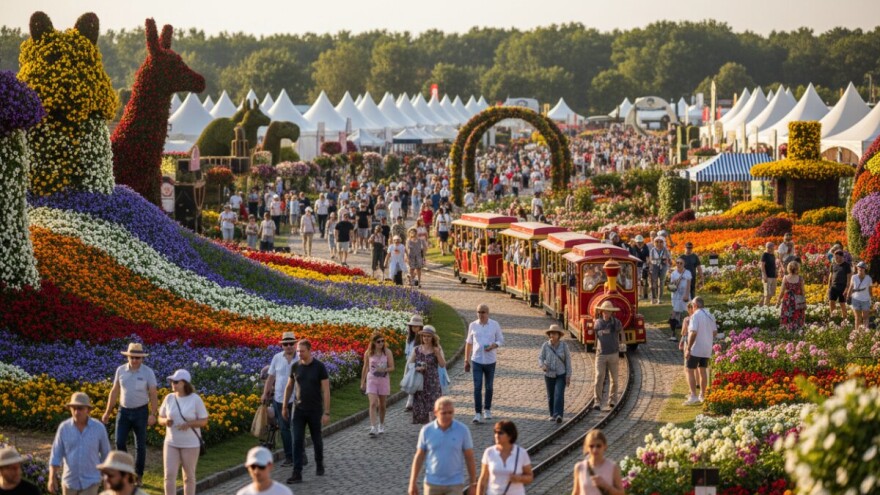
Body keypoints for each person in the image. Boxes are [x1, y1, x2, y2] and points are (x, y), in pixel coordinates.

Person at [101, 343, 158, 481]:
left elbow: (153, 393)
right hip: (124, 411)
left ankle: (138, 475)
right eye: (132, 357)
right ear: (128, 357)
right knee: (119, 442)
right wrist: (107, 412)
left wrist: (153, 413)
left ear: (142, 359)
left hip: (141, 412)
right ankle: (127, 471)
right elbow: (114, 391)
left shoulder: (148, 372)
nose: (134, 360)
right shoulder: (120, 370)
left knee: (140, 445)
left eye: (137, 358)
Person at [282, 340, 330, 484]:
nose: (299, 354)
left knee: (316, 439)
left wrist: (326, 412)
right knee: (297, 441)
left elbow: (326, 390)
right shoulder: (295, 367)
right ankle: (297, 473)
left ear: (309, 350)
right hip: (298, 410)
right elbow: (289, 386)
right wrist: (284, 406)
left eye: (302, 351)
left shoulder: (319, 367)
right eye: (298, 351)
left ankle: (319, 462)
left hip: (315, 410)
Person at [408, 397, 477, 495]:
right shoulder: (427, 430)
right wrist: (412, 482)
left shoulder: (462, 430)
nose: (448, 416)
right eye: (444, 413)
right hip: (432, 483)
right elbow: (419, 457)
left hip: (455, 483)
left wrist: (473, 483)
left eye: (450, 412)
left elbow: (469, 457)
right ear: (435, 412)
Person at [49, 393, 111, 495]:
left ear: (88, 410)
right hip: (70, 481)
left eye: (80, 408)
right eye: (74, 408)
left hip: (91, 481)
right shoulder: (64, 428)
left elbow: (106, 455)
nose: (77, 412)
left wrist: (107, 480)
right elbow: (56, 454)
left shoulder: (99, 428)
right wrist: (51, 478)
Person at [157, 370, 208, 495]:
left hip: (190, 444)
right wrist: (165, 421)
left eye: (175, 381)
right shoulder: (169, 398)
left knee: (188, 477)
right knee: (169, 476)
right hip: (171, 442)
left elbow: (204, 421)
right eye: (171, 381)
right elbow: (160, 418)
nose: (172, 384)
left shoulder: (195, 399)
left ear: (185, 383)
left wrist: (189, 424)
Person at [261, 332, 300, 468]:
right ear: (282, 346)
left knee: (296, 428)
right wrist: (265, 393)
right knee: (284, 428)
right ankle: (289, 456)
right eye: (285, 344)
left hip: (296, 399)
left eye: (291, 344)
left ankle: (299, 453)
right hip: (279, 398)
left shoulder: (301, 358)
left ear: (295, 345)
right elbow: (270, 377)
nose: (288, 346)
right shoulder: (277, 358)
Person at [464, 304, 504, 423]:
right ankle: (477, 412)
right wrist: (466, 359)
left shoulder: (494, 324)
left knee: (489, 386)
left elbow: (501, 339)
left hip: (490, 360)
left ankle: (487, 409)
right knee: (477, 387)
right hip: (476, 360)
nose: (481, 314)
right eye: (479, 312)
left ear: (488, 313)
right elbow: (469, 343)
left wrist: (494, 345)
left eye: (483, 312)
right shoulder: (473, 325)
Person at [477, 421, 533, 495]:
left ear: (510, 436)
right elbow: (483, 478)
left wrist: (519, 478)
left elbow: (530, 477)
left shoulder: (521, 453)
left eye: (500, 433)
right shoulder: (489, 452)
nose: (497, 435)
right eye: (495, 432)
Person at [684, 297, 717, 405]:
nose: (692, 308)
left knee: (690, 370)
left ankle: (693, 395)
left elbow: (693, 332)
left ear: (696, 305)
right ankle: (702, 394)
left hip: (696, 348)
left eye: (692, 305)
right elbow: (714, 332)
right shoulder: (710, 314)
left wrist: (688, 348)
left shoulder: (695, 315)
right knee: (703, 371)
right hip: (707, 348)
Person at [360, 332, 395, 437]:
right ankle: (373, 427)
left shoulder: (387, 352)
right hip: (372, 380)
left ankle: (381, 424)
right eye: (378, 341)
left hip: (383, 379)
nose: (381, 343)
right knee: (373, 403)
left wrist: (384, 369)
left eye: (383, 341)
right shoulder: (368, 353)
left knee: (382, 405)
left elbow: (392, 367)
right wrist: (363, 382)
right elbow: (365, 367)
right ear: (373, 343)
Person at [410, 326, 446, 424]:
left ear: (432, 338)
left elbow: (442, 364)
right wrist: (417, 368)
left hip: (432, 381)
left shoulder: (436, 349)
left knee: (433, 405)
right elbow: (410, 364)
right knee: (422, 406)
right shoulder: (417, 350)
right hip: (420, 381)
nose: (426, 338)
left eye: (428, 336)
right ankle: (426, 430)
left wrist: (438, 354)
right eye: (424, 336)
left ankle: (433, 426)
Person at [571, 430, 624, 495]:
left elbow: (621, 493)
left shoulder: (612, 467)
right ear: (586, 448)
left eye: (598, 446)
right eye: (591, 446)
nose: (595, 450)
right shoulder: (580, 467)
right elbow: (576, 492)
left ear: (604, 446)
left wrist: (605, 485)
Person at [538, 325, 571, 423]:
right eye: (551, 333)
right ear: (549, 334)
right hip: (549, 375)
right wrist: (542, 366)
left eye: (555, 333)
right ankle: (552, 414)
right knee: (551, 396)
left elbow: (568, 361)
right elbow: (540, 358)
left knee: (559, 394)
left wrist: (568, 375)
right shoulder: (545, 345)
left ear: (559, 335)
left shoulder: (564, 346)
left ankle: (558, 415)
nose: (553, 335)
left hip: (561, 374)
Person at [592, 302, 621, 411]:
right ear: (601, 312)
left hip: (613, 353)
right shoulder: (598, 323)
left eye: (608, 311)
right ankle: (597, 401)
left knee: (615, 379)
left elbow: (618, 328)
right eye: (604, 311)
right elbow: (599, 331)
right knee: (599, 376)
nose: (606, 313)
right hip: (601, 354)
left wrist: (613, 323)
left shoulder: (616, 323)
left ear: (611, 312)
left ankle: (612, 400)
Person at [669, 257, 693, 342]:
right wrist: (677, 280)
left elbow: (688, 284)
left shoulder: (687, 273)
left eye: (681, 263)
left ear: (684, 264)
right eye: (677, 263)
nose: (679, 264)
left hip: (684, 294)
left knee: (689, 311)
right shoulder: (673, 274)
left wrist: (686, 295)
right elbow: (672, 286)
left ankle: (690, 331)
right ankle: (673, 333)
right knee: (675, 313)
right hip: (676, 295)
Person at [778, 261, 806, 331]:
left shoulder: (785, 278)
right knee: (798, 313)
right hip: (798, 299)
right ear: (797, 268)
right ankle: (798, 328)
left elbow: (782, 291)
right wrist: (804, 301)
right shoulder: (800, 278)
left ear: (788, 268)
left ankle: (787, 328)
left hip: (788, 299)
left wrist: (778, 300)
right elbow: (803, 291)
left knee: (787, 313)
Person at [403, 316, 424, 412]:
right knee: (411, 381)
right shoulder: (409, 339)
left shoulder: (422, 339)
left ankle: (417, 401)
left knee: (418, 381)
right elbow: (407, 351)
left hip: (419, 362)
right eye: (413, 326)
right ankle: (410, 401)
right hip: (410, 362)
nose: (414, 328)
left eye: (417, 326)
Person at [847, 261, 872, 330]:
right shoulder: (854, 277)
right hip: (855, 299)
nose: (860, 268)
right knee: (857, 317)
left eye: (862, 267)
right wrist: (848, 297)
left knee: (865, 317)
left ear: (865, 269)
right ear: (857, 268)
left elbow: (870, 290)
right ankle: (857, 332)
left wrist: (871, 299)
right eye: (859, 267)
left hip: (866, 300)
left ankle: (865, 332)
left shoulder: (868, 278)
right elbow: (851, 287)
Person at [828, 248, 852, 319]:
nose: (835, 258)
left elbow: (849, 278)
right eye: (835, 257)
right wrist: (829, 287)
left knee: (842, 304)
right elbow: (830, 276)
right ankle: (833, 318)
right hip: (833, 287)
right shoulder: (833, 265)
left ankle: (845, 319)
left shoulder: (846, 265)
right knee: (831, 302)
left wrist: (847, 288)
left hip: (842, 287)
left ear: (841, 257)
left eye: (837, 257)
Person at [648, 237, 671, 304]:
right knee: (653, 283)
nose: (659, 243)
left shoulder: (665, 250)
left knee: (661, 283)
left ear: (663, 243)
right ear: (654, 243)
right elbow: (651, 259)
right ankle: (653, 298)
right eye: (657, 242)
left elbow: (668, 258)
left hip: (663, 267)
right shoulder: (652, 250)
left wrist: (667, 263)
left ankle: (659, 298)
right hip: (654, 266)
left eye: (661, 242)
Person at [629, 235, 650, 301]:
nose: (639, 243)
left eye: (640, 242)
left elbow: (647, 256)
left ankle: (645, 295)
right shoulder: (632, 247)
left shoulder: (645, 247)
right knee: (638, 281)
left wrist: (647, 264)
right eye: (638, 242)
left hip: (643, 265)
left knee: (644, 280)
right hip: (635, 266)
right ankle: (639, 295)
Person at [760, 242, 777, 306]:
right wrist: (764, 275)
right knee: (767, 293)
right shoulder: (765, 255)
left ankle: (761, 305)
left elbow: (773, 265)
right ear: (768, 247)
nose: (773, 248)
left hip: (773, 276)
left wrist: (776, 272)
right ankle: (765, 307)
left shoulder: (772, 255)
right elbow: (762, 266)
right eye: (772, 247)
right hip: (767, 276)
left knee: (771, 293)